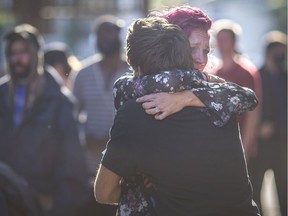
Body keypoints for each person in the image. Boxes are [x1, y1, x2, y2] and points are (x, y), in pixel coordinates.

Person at [95, 17, 260, 216]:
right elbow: (246, 96)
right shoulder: (217, 100)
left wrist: (139, 187)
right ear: (181, 52)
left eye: (206, 50)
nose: (201, 59)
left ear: (136, 66)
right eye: (194, 49)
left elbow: (104, 192)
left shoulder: (135, 110)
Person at [0, 24, 89, 216]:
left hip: (41, 201)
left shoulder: (59, 101)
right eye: (13, 53)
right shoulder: (1, 95)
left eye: (24, 52)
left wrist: (58, 207)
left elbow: (73, 163)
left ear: (37, 55)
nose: (18, 59)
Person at [71, 15, 129, 216]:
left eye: (110, 31)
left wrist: (112, 141)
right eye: (101, 33)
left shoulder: (134, 72)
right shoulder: (82, 74)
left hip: (124, 167)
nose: (106, 37)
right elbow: (72, 115)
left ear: (120, 36)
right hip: (87, 167)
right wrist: (83, 139)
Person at [211, 19, 262, 160]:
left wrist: (245, 146)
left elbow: (253, 113)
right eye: (219, 39)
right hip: (218, 145)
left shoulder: (246, 72)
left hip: (239, 143)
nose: (221, 43)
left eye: (225, 39)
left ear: (234, 42)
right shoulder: (214, 73)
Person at [248, 30, 287, 216]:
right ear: (269, 52)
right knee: (256, 187)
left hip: (282, 143)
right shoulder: (257, 76)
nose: (282, 56)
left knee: (284, 189)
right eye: (279, 51)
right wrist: (258, 128)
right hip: (262, 143)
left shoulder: (285, 77)